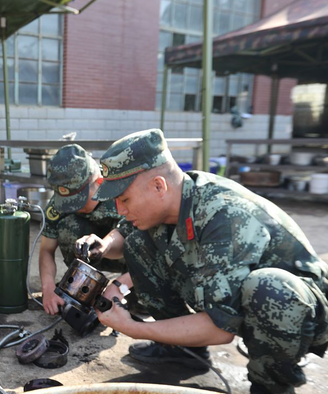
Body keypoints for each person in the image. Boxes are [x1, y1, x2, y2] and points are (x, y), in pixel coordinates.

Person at [88, 129, 328, 394]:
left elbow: (219, 329)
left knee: (268, 288)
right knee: (139, 243)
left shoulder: (224, 213)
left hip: (297, 309)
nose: (120, 209)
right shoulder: (174, 200)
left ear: (159, 185)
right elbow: (125, 233)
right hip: (242, 294)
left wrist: (134, 328)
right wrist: (106, 249)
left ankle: (271, 387)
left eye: (124, 199)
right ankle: (182, 350)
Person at [39, 144, 125, 315]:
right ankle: (84, 288)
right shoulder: (58, 204)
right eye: (68, 201)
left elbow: (139, 239)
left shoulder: (121, 188)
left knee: (143, 304)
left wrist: (119, 287)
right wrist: (48, 288)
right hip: (88, 256)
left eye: (79, 200)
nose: (74, 207)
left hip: (125, 255)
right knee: (67, 226)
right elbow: (46, 250)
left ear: (99, 182)